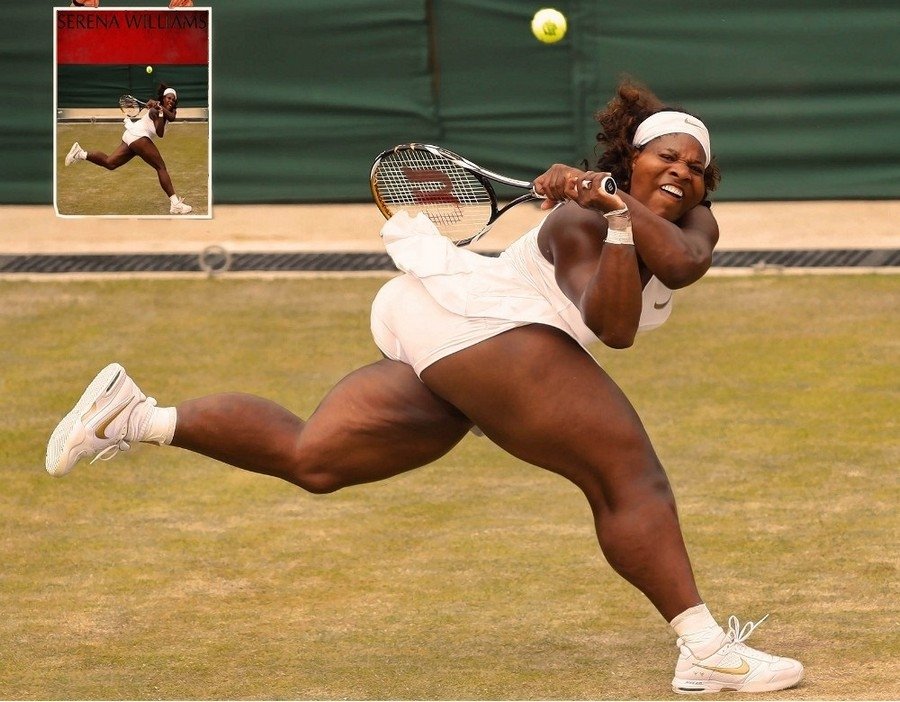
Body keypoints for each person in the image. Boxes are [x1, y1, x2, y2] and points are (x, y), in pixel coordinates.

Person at [45, 78, 804, 695]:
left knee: (315, 459)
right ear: (629, 157)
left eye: (696, 167)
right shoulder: (579, 219)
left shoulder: (692, 226)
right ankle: (706, 651)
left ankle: (134, 416)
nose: (681, 172)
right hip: (483, 323)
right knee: (627, 476)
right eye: (665, 157)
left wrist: (615, 202)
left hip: (456, 338)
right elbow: (613, 327)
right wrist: (604, 213)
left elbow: (680, 263)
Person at [64, 84, 192, 215]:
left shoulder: (169, 111)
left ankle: (80, 153)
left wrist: (160, 108)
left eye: (173, 99)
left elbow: (172, 117)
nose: (171, 101)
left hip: (132, 136)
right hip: (138, 137)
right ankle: (175, 204)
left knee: (110, 163)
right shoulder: (154, 111)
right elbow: (160, 133)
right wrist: (159, 110)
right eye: (168, 98)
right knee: (161, 167)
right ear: (163, 98)